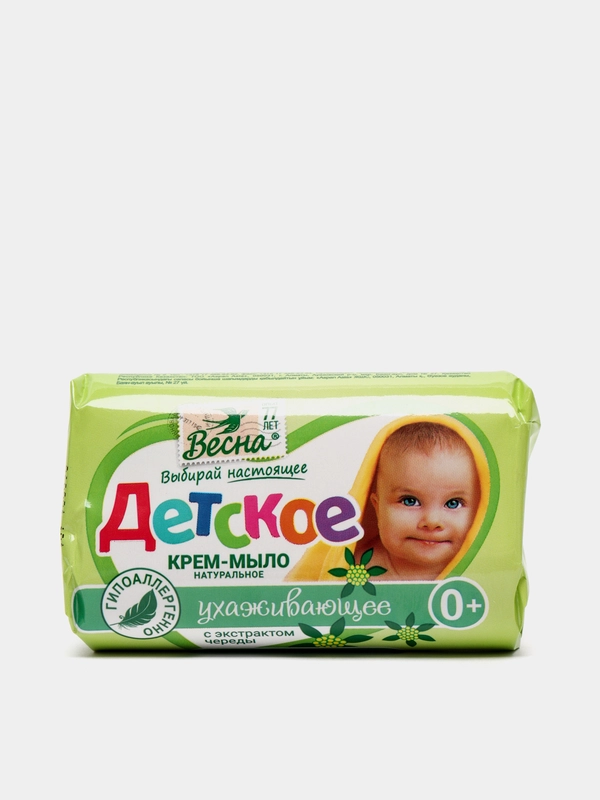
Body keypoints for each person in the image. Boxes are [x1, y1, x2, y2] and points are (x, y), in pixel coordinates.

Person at [285, 417, 488, 582]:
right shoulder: (357, 569)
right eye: (409, 501)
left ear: (480, 510)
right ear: (377, 507)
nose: (432, 521)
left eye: (453, 503)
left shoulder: (483, 569)